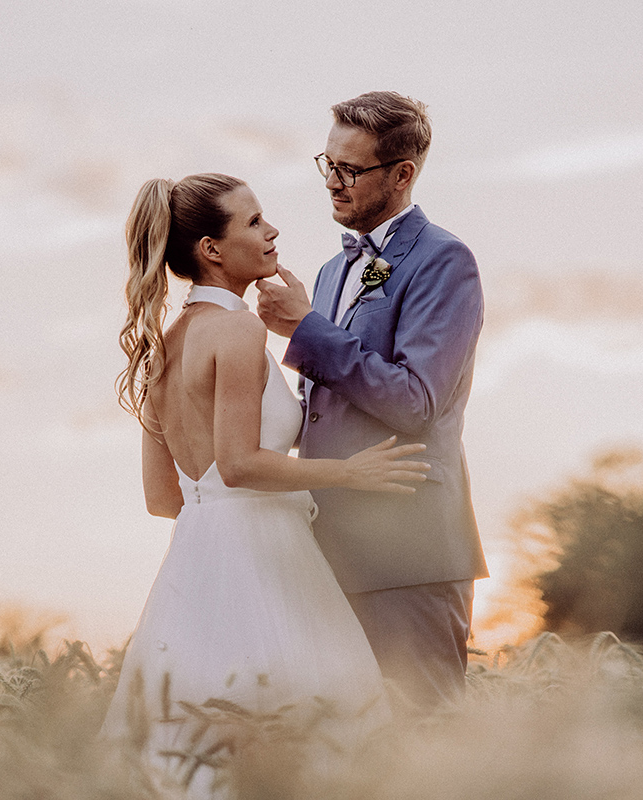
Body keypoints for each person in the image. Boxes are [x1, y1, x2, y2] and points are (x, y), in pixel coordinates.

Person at [102, 173, 429, 795]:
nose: (272, 230)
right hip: (267, 559)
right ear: (212, 250)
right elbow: (239, 463)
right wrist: (349, 473)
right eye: (253, 222)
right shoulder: (239, 331)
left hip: (193, 565)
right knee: (315, 737)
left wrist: (218, 528)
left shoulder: (160, 349)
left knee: (198, 746)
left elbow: (162, 498)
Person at [256, 92, 488, 711]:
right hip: (328, 550)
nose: (332, 182)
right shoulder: (331, 272)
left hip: (406, 551)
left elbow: (417, 400)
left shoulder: (445, 260)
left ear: (402, 174)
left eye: (349, 170)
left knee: (426, 745)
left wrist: (305, 331)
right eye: (326, 164)